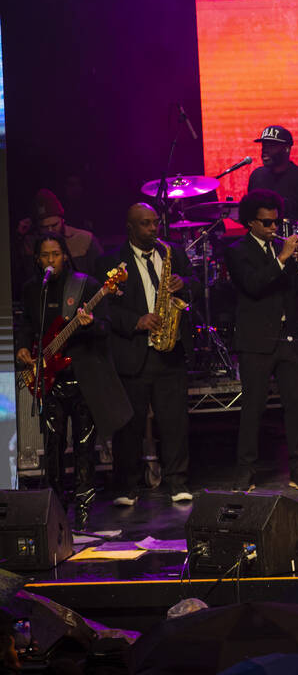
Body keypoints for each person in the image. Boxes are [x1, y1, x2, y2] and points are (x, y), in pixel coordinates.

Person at [15, 234, 133, 528]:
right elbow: (28, 324)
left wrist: (90, 324)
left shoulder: (87, 285)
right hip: (50, 379)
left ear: (64, 256)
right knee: (53, 446)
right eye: (45, 256)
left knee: (83, 446)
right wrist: (22, 345)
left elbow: (106, 327)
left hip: (82, 379)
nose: (51, 260)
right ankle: (56, 509)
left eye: (56, 254)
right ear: (38, 259)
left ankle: (83, 510)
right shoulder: (33, 290)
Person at [97, 203, 199, 505]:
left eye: (155, 223)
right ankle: (127, 486)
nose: (153, 229)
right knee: (130, 425)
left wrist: (184, 284)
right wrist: (136, 321)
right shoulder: (112, 260)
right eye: (145, 224)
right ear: (130, 227)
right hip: (134, 352)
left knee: (175, 422)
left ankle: (177, 482)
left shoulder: (173, 253)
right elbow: (104, 307)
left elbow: (195, 283)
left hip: (170, 350)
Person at [225, 189, 298, 492]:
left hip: (287, 339)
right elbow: (253, 286)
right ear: (250, 223)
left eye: (276, 222)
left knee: (295, 404)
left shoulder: (282, 250)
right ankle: (245, 471)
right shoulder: (238, 251)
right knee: (253, 408)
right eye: (267, 223)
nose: (274, 228)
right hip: (255, 340)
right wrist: (282, 259)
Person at [15, 189, 104, 284]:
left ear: (62, 220)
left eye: (54, 225)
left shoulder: (85, 239)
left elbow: (102, 274)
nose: (50, 230)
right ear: (36, 226)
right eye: (44, 227)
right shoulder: (29, 242)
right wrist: (19, 238)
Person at [246, 125, 298, 222]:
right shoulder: (257, 176)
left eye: (272, 146)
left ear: (287, 149)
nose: (265, 150)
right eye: (264, 145)